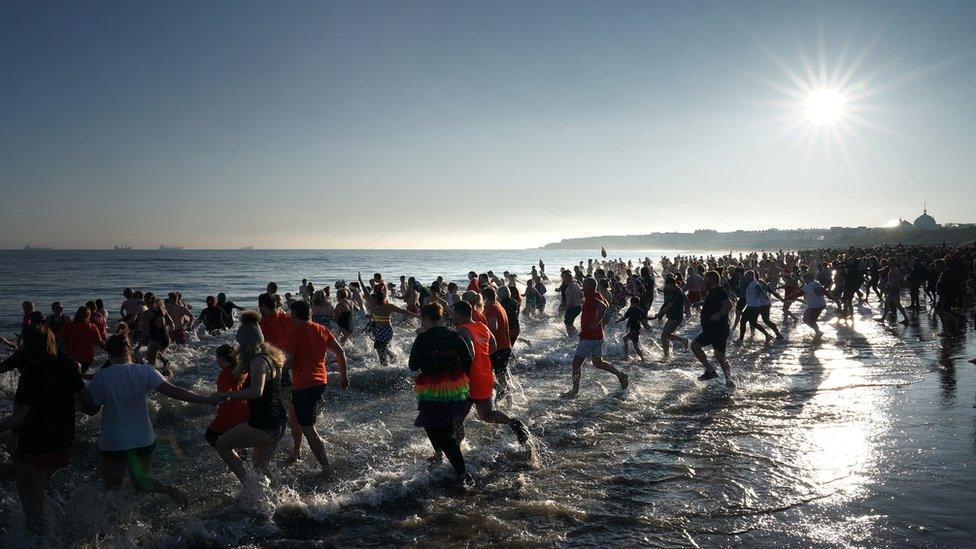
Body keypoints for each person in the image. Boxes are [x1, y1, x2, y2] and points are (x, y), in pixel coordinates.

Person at [79, 334, 221, 506]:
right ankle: (167, 490)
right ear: (130, 350)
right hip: (143, 441)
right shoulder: (145, 371)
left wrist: (78, 393)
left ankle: (113, 529)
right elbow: (175, 392)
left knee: (112, 490)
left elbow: (91, 410)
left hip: (114, 442)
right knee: (140, 483)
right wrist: (207, 399)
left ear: (109, 353)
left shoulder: (103, 376)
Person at [0, 324, 86, 535]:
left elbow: (18, 419)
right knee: (39, 493)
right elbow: (90, 406)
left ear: (27, 345)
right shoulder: (69, 365)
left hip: (34, 446)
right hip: (62, 444)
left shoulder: (31, 374)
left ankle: (42, 541)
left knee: (32, 513)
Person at [214, 312, 288, 485]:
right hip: (279, 420)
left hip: (264, 424)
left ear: (246, 344)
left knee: (221, 445)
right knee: (260, 465)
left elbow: (256, 391)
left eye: (240, 344)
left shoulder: (257, 361)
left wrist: (228, 394)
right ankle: (281, 494)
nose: (238, 348)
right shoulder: (271, 357)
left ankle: (248, 486)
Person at [408, 303, 474, 484]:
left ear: (427, 319)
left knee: (436, 427)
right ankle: (440, 455)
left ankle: (463, 474)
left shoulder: (423, 338)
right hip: (455, 386)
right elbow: (468, 359)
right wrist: (457, 373)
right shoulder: (454, 335)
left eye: (423, 319)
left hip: (431, 387)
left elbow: (413, 365)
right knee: (440, 425)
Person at [282, 300, 349, 476]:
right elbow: (340, 352)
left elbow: (288, 364)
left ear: (295, 315)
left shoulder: (293, 334)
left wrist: (273, 364)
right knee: (294, 418)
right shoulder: (322, 329)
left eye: (291, 314)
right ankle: (296, 453)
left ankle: (326, 467)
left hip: (304, 385)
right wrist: (344, 377)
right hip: (320, 382)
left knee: (308, 427)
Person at [453, 301, 530, 444]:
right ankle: (513, 423)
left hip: (471, 378)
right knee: (487, 414)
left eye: (453, 313)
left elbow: (469, 355)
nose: (452, 317)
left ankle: (457, 449)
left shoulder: (462, 330)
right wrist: (482, 358)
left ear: (459, 314)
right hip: (485, 375)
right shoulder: (482, 326)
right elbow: (494, 345)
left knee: (457, 419)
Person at [561, 278, 628, 399]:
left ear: (589, 288)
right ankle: (620, 375)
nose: (582, 289)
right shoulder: (598, 295)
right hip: (597, 336)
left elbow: (603, 307)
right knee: (598, 362)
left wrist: (595, 322)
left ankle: (574, 391)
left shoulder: (592, 297)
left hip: (589, 337)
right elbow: (607, 304)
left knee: (576, 364)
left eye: (584, 287)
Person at [257, 292, 303, 462]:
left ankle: (269, 451)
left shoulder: (261, 324)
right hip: (290, 366)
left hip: (273, 370)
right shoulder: (288, 317)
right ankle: (296, 448)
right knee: (291, 410)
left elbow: (257, 349)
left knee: (278, 412)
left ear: (263, 306)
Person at [359, 271, 418, 366]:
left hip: (382, 331)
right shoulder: (388, 306)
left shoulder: (375, 305)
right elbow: (405, 312)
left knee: (380, 349)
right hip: (387, 331)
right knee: (380, 348)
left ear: (376, 299)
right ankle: (391, 356)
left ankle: (386, 367)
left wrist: (360, 280)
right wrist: (417, 315)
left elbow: (366, 293)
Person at [690, 271, 735, 389]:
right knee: (720, 356)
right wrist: (700, 303)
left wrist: (718, 315)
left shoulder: (719, 291)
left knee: (695, 345)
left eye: (705, 279)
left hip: (716, 329)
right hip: (717, 329)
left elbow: (728, 304)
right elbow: (715, 303)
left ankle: (710, 370)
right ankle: (729, 381)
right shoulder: (713, 292)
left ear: (712, 280)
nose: (703, 282)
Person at [205, 344, 249, 448]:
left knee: (210, 436)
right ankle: (239, 458)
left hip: (228, 414)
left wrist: (209, 398)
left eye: (217, 359)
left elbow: (224, 396)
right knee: (237, 442)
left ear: (221, 358)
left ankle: (229, 457)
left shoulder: (225, 374)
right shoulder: (243, 370)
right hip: (244, 413)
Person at [481, 287, 513, 402]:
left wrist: (481, 337)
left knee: (488, 373)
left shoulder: (491, 309)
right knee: (501, 375)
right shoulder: (499, 306)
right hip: (505, 346)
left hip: (498, 348)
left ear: (485, 298)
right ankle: (509, 399)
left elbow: (493, 327)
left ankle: (502, 392)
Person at [59, 306, 106, 373]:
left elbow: (61, 342)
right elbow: (100, 342)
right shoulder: (92, 326)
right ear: (88, 315)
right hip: (87, 358)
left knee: (73, 375)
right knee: (82, 374)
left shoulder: (68, 326)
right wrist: (110, 351)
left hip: (72, 357)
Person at [653, 275, 689, 357]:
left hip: (675, 317)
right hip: (675, 316)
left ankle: (667, 355)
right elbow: (688, 302)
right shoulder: (677, 290)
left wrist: (659, 314)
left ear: (670, 284)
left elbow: (668, 306)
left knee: (664, 336)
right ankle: (683, 341)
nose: (665, 286)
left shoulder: (676, 293)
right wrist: (685, 310)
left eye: (666, 285)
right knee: (666, 335)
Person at [561, 271, 583, 337]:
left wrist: (566, 308)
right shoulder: (577, 285)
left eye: (564, 278)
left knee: (567, 323)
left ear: (568, 279)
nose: (563, 280)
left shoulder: (569, 288)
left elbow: (569, 302)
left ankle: (574, 336)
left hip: (572, 308)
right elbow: (581, 296)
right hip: (578, 307)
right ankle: (576, 335)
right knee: (569, 323)